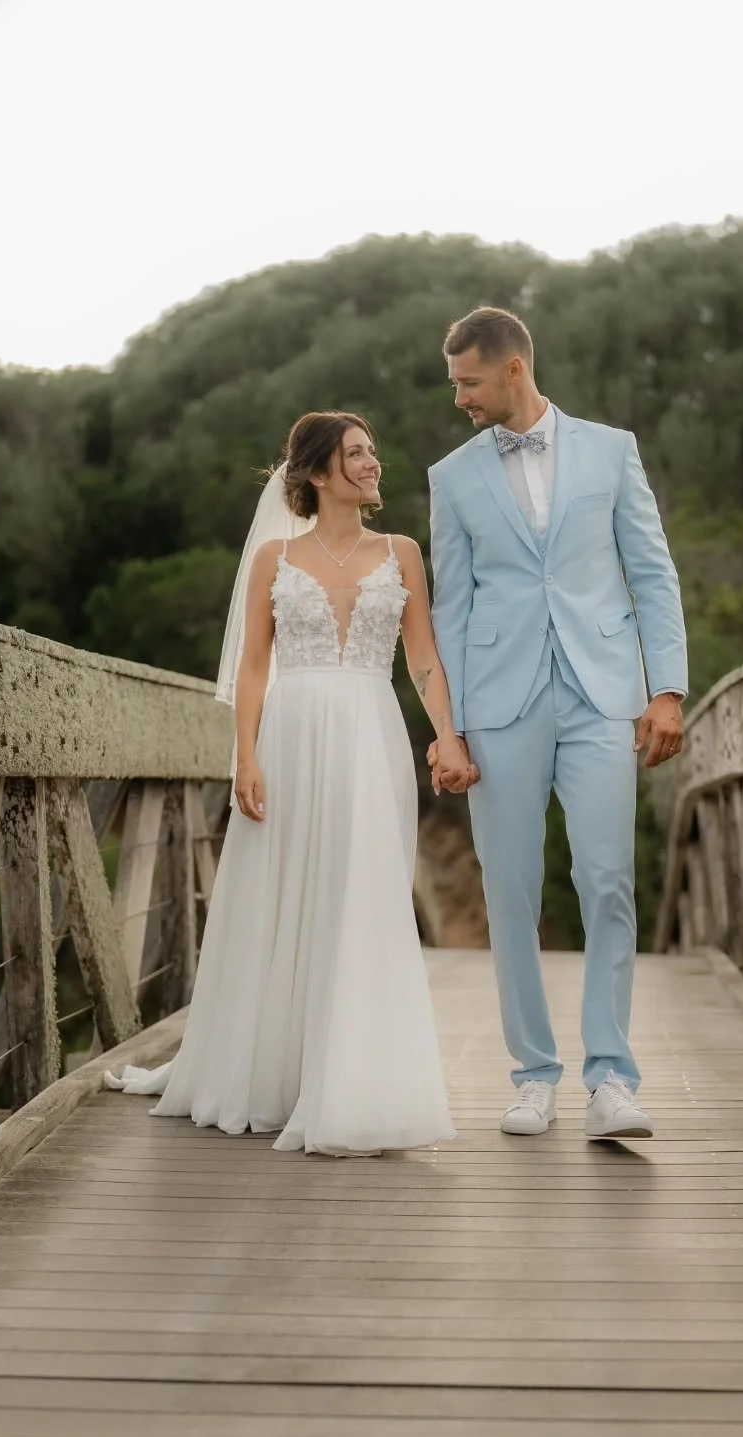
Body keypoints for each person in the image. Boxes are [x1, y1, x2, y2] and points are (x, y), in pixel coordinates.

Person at [104, 411, 466, 1156]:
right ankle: (272, 1074)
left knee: (361, 896)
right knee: (280, 893)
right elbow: (254, 667)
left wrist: (447, 735)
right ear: (317, 472)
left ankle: (356, 1080)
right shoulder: (274, 557)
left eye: (373, 451)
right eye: (358, 454)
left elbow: (422, 658)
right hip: (290, 734)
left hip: (371, 733)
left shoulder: (402, 553)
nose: (373, 464)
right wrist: (247, 755)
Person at [426, 307, 688, 1141]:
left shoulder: (613, 450)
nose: (459, 398)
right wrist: (452, 730)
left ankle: (611, 1079)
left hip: (603, 689)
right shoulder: (451, 476)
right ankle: (533, 1075)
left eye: (468, 382)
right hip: (499, 701)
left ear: (512, 369)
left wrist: (668, 688)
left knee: (607, 879)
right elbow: (452, 607)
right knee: (510, 890)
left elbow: (653, 573)